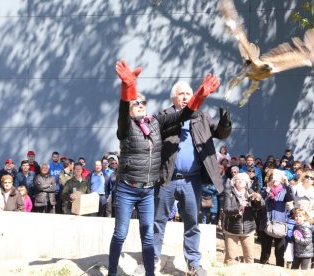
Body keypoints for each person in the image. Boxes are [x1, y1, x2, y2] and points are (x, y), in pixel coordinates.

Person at [108, 59, 218, 276]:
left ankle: (151, 271)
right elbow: (123, 111)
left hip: (148, 190)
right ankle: (112, 272)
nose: (139, 104)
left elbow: (184, 114)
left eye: (143, 102)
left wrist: (200, 95)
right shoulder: (126, 126)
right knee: (121, 233)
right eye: (135, 103)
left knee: (148, 233)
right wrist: (128, 88)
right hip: (128, 189)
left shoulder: (156, 122)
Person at [153, 79, 231, 275]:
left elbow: (220, 133)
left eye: (189, 94)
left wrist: (225, 123)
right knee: (158, 221)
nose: (186, 97)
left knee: (192, 223)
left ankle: (193, 263)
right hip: (166, 179)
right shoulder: (164, 116)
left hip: (192, 180)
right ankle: (152, 259)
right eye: (182, 94)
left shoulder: (201, 117)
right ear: (174, 98)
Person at [222, 172, 263, 265]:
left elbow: (260, 207)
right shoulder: (228, 192)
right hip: (232, 229)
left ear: (247, 183)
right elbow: (226, 210)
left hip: (248, 229)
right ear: (234, 182)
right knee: (230, 258)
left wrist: (258, 200)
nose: (241, 181)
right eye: (238, 179)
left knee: (249, 258)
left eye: (244, 180)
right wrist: (238, 209)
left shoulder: (250, 192)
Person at [259, 169, 293, 267]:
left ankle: (280, 269)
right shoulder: (266, 189)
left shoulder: (285, 190)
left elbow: (291, 199)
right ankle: (262, 267)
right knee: (265, 250)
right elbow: (261, 201)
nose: (275, 179)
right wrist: (268, 189)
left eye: (278, 177)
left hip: (280, 223)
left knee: (279, 251)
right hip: (267, 222)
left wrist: (287, 184)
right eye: (274, 176)